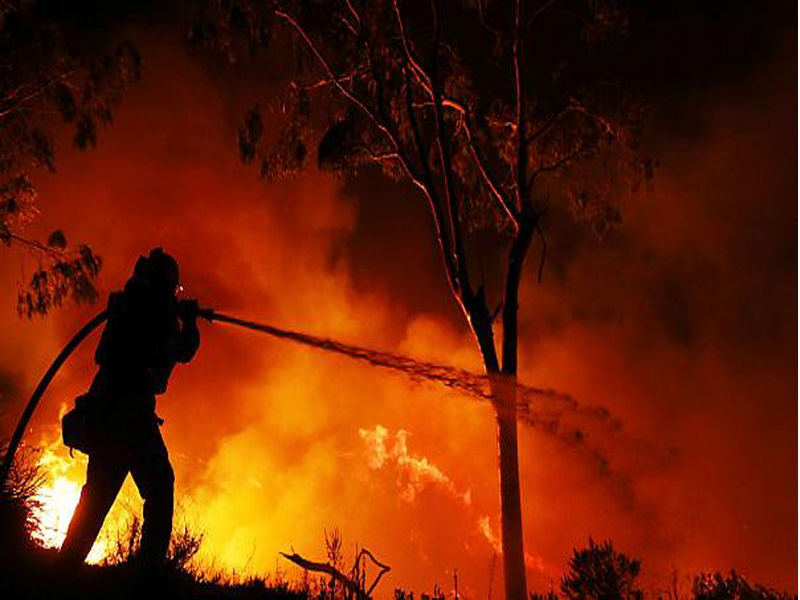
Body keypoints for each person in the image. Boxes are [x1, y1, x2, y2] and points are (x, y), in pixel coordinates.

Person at [59, 248, 200, 569]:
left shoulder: (130, 305)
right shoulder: (148, 313)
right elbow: (183, 350)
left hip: (111, 413)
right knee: (159, 489)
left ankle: (63, 570)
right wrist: (188, 321)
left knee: (96, 501)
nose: (174, 294)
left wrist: (180, 318)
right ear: (165, 284)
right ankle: (146, 576)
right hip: (129, 419)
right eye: (174, 288)